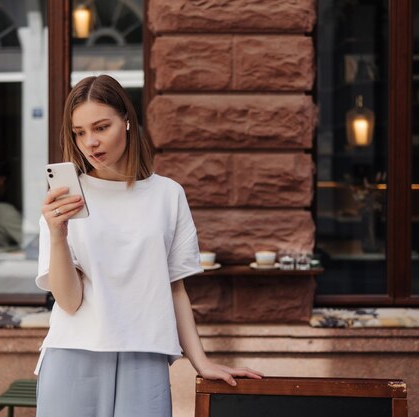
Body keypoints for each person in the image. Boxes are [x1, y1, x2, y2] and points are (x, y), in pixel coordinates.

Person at [34, 75, 263, 417]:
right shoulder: (64, 202)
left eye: (101, 127)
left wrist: (201, 362)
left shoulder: (168, 196)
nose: (90, 142)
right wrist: (57, 235)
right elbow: (68, 302)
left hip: (145, 357)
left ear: (127, 120)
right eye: (79, 132)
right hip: (72, 355)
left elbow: (174, 290)